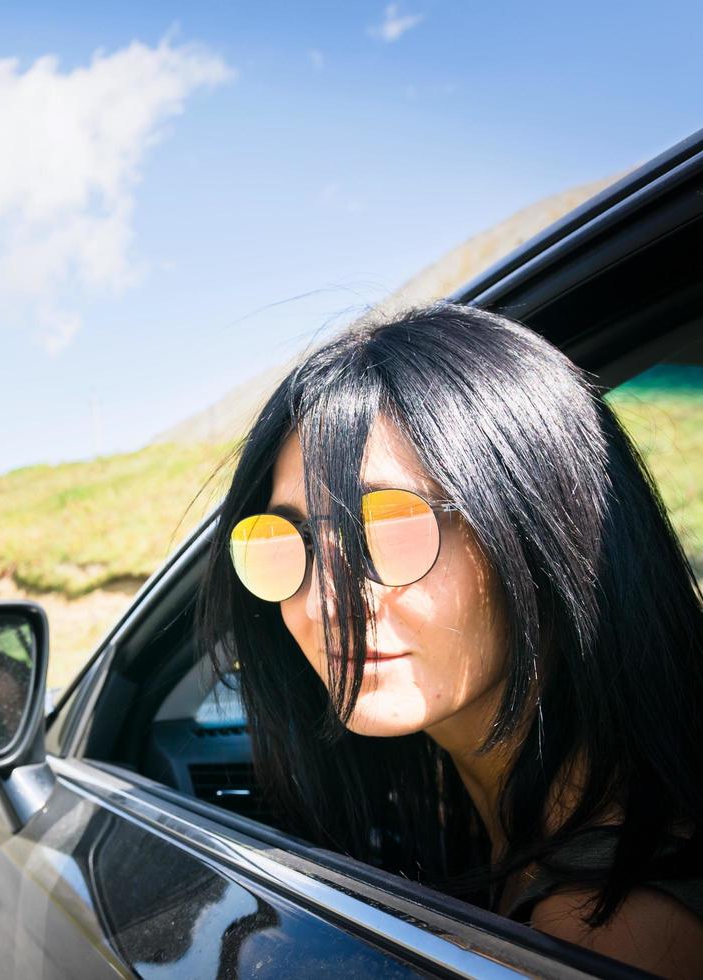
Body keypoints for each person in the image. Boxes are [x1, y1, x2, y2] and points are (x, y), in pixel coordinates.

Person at [198, 304, 703, 976]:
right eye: (285, 542)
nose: (323, 601)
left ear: (536, 532)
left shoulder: (608, 934)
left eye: (389, 527)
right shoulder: (476, 815)